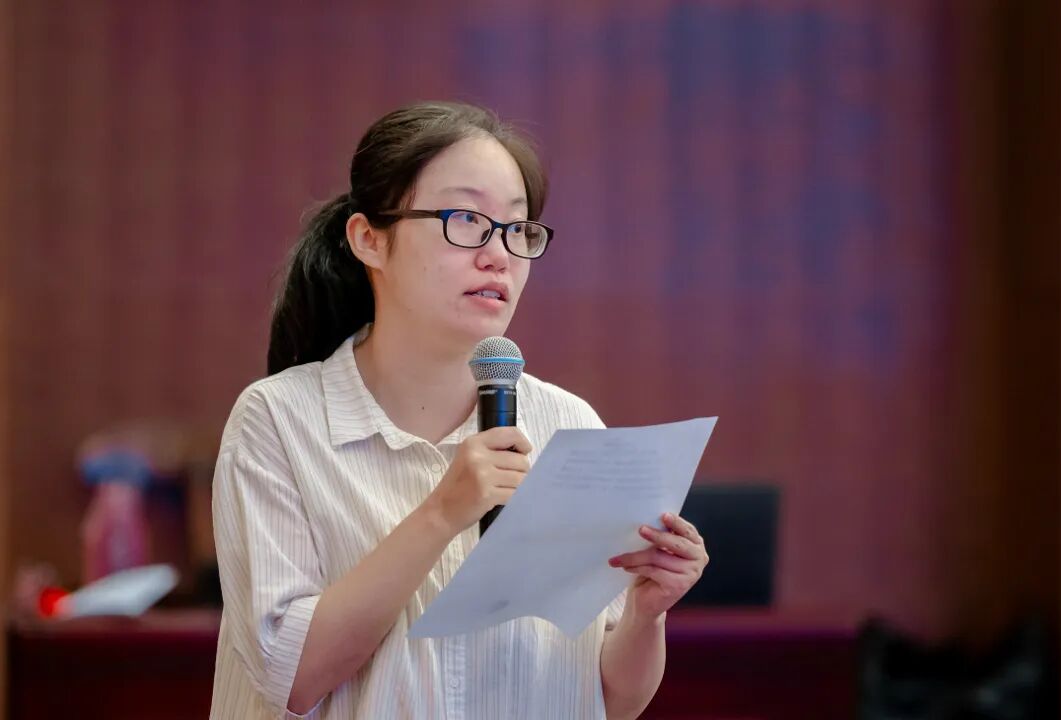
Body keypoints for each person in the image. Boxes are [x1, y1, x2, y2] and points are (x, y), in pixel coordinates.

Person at [210, 101, 709, 719]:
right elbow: (290, 678)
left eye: (517, 229)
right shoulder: (278, 420)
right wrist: (444, 511)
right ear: (370, 239)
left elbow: (609, 701)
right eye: (468, 220)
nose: (499, 254)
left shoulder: (569, 426)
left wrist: (644, 614)